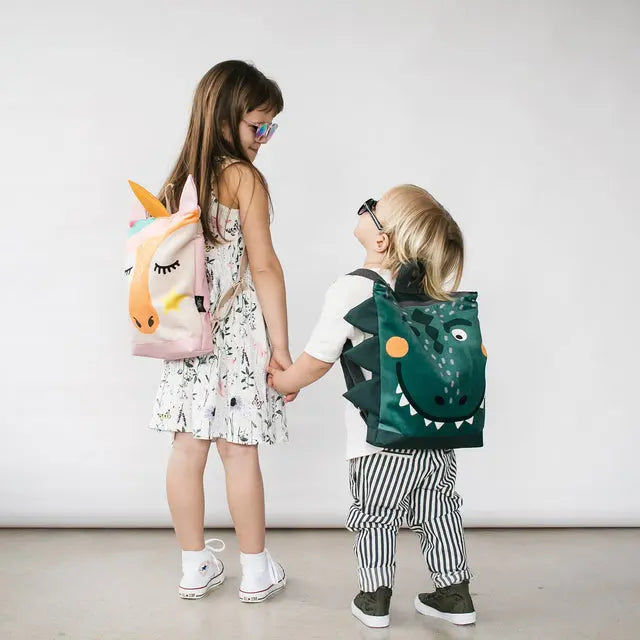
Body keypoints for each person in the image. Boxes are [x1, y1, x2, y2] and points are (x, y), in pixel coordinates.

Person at [268, 185, 476, 627]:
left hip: (378, 441)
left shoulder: (352, 289)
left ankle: (375, 598)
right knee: (440, 512)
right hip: (434, 437)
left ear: (381, 239)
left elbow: (317, 359)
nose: (364, 209)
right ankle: (454, 594)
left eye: (372, 208)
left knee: (376, 516)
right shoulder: (431, 296)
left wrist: (284, 380)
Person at [149, 60, 292, 603]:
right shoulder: (243, 178)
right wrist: (280, 350)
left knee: (186, 451)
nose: (265, 139)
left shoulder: (179, 179)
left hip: (186, 340)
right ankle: (255, 571)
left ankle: (194, 566)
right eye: (259, 126)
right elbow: (265, 268)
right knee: (240, 453)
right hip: (234, 340)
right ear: (229, 116)